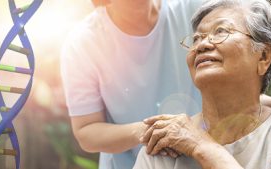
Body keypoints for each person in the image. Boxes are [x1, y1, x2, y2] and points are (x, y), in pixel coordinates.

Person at [133, 0, 271, 168]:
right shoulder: (166, 142)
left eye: (220, 31)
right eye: (196, 39)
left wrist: (200, 145)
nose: (201, 45)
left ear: (264, 56)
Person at [61, 0, 204, 168]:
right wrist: (147, 131)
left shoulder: (195, 9)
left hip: (202, 157)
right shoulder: (83, 42)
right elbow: (86, 130)